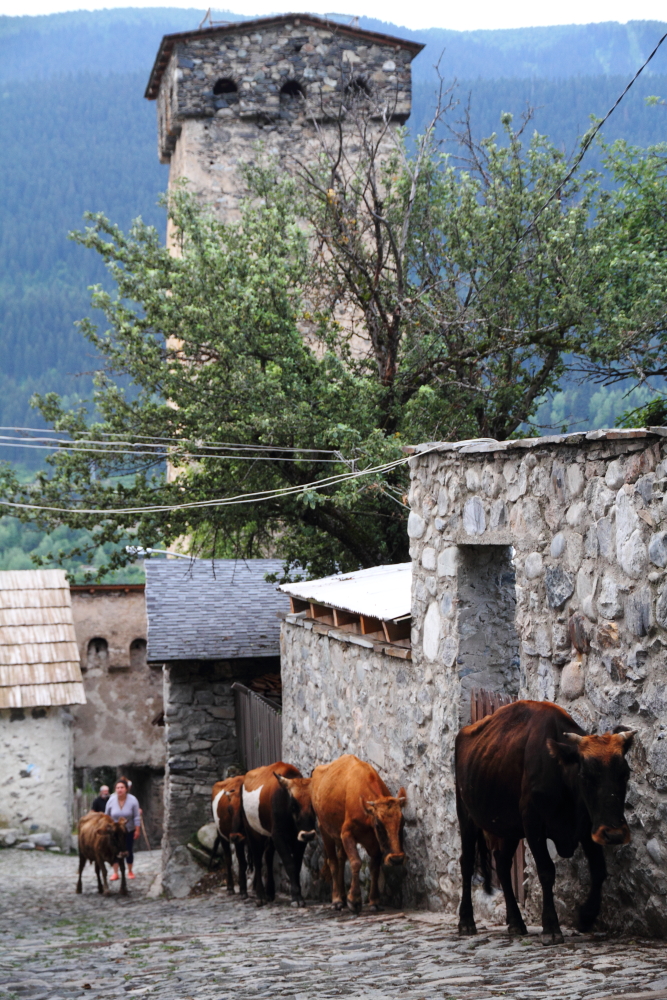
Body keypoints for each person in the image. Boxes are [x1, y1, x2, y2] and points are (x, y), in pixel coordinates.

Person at [106, 777, 141, 880]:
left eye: (122, 787)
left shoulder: (133, 800)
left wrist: (137, 829)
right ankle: (115, 872)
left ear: (126, 789)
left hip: (128, 830)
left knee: (128, 849)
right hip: (115, 831)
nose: (119, 790)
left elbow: (136, 816)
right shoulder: (111, 800)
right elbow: (107, 815)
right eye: (117, 788)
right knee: (114, 850)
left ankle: (130, 871)